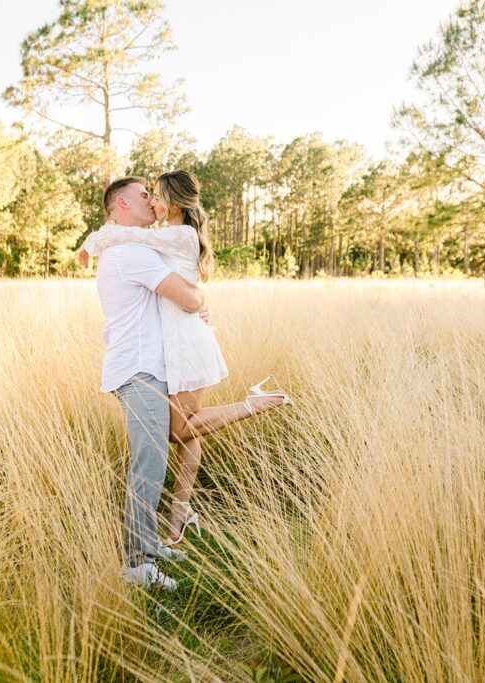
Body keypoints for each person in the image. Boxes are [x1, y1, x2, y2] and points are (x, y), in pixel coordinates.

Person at [83, 172, 290, 586]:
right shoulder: (131, 252)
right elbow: (190, 297)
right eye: (142, 195)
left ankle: (157, 540)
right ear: (121, 204)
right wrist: (200, 303)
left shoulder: (132, 246)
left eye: (153, 194)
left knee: (171, 444)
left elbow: (186, 291)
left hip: (152, 365)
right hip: (140, 369)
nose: (150, 200)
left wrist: (94, 240)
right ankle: (138, 564)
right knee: (150, 464)